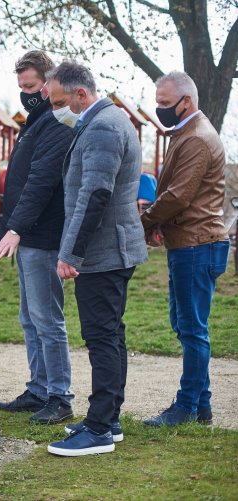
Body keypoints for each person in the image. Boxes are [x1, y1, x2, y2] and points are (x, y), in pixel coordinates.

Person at [44, 61, 148, 456]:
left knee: (102, 338)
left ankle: (99, 428)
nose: (57, 110)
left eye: (60, 102)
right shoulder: (109, 119)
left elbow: (95, 194)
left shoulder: (103, 126)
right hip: (112, 250)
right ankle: (109, 418)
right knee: (111, 334)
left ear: (81, 94)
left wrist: (71, 253)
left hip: (103, 253)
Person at [0, 51, 76, 424]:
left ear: (48, 83)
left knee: (46, 319)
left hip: (44, 237)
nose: (26, 94)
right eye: (21, 87)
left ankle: (60, 395)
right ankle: (39, 389)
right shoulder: (35, 121)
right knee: (30, 318)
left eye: (31, 86)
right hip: (29, 237)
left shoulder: (58, 123)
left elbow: (41, 181)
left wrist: (16, 228)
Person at [140, 71, 230, 427]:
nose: (159, 109)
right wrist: (159, 224)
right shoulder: (187, 133)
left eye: (164, 103)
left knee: (192, 329)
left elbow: (178, 196)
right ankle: (201, 405)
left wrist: (145, 222)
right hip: (190, 243)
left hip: (197, 245)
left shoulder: (196, 139)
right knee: (185, 325)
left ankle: (187, 407)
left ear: (186, 101)